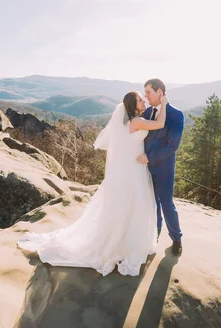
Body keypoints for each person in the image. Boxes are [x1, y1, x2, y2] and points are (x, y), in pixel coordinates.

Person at [17, 91, 168, 276]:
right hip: (133, 170)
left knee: (129, 205)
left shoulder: (129, 121)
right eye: (139, 99)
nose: (143, 100)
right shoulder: (135, 122)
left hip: (132, 168)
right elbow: (160, 124)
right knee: (133, 204)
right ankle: (124, 244)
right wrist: (164, 103)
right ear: (132, 106)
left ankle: (123, 241)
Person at [138, 78, 184, 255]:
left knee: (166, 203)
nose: (146, 96)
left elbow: (172, 146)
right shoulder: (147, 112)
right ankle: (155, 232)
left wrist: (149, 157)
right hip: (144, 167)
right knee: (152, 202)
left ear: (160, 92)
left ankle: (177, 239)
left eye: (148, 92)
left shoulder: (175, 114)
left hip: (164, 168)